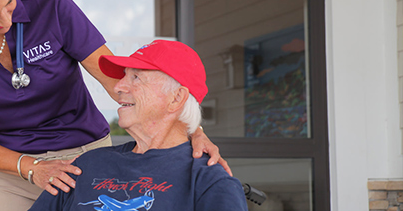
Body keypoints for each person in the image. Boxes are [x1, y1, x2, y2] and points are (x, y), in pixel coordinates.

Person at [0, 0, 229, 210]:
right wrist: (31, 168)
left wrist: (193, 129)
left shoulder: (52, 6)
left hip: (85, 160)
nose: (6, 18)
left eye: (9, 2)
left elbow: (120, 83)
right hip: (13, 171)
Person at [28, 40, 248, 211]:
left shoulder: (209, 181)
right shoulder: (86, 164)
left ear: (176, 98)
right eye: (125, 76)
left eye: (136, 78)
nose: (118, 87)